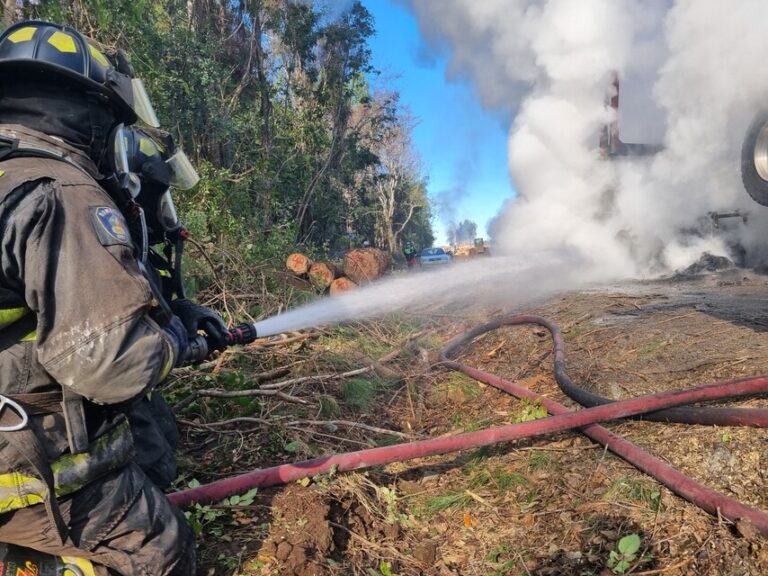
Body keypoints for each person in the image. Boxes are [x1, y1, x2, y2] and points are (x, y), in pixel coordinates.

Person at [0, 20, 224, 574]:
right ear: (91, 110)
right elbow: (109, 362)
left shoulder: (13, 176)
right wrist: (176, 340)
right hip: (22, 459)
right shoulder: (64, 192)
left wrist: (180, 314)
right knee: (160, 551)